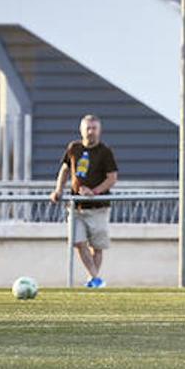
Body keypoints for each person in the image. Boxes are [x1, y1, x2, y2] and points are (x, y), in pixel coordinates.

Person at [50, 114, 118, 288]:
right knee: (78, 242)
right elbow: (65, 170)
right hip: (76, 207)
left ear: (99, 130)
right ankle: (96, 278)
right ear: (81, 130)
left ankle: (92, 280)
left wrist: (94, 192)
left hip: (98, 207)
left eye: (94, 128)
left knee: (97, 246)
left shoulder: (105, 152)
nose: (91, 132)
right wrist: (58, 189)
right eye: (88, 128)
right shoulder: (74, 148)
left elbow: (112, 178)